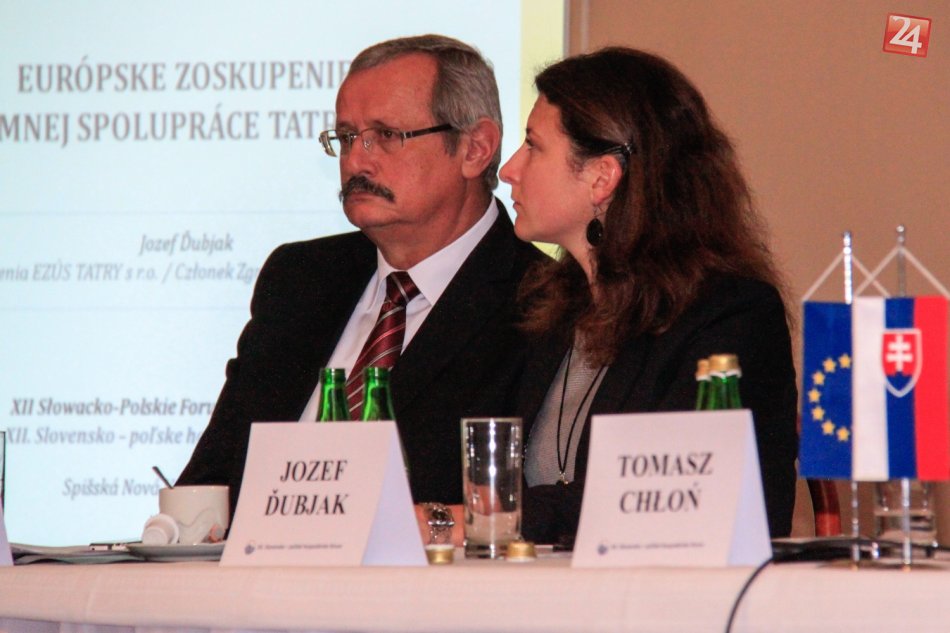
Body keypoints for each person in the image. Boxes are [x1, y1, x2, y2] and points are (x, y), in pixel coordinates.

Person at [177, 35, 544, 539]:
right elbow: (210, 481)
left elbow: (537, 501)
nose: (356, 161)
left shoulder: (544, 301)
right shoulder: (300, 279)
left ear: (475, 148)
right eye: (347, 137)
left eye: (387, 136)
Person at [499, 47, 798, 546]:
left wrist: (494, 514)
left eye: (533, 146)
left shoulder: (729, 317)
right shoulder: (548, 312)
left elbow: (664, 497)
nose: (509, 169)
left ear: (601, 177)